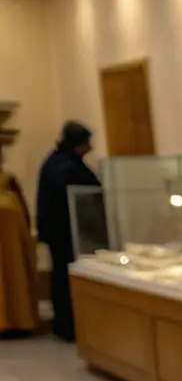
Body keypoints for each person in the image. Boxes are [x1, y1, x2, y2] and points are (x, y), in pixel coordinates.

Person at [36, 121, 102, 342]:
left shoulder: (57, 162)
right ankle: (69, 324)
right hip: (67, 233)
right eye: (87, 144)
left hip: (63, 232)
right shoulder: (66, 167)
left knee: (62, 276)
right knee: (66, 278)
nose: (90, 149)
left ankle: (66, 323)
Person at [0, 155, 38, 336]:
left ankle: (17, 320)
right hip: (13, 241)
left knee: (15, 276)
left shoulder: (9, 181)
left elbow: (24, 212)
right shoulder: (9, 183)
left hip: (14, 242)